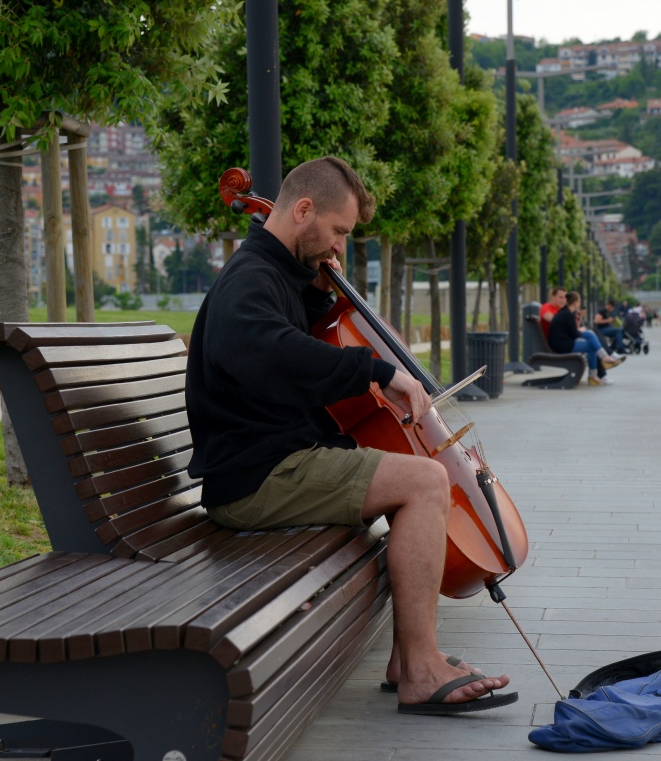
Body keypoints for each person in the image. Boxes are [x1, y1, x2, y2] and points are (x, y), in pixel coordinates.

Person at [185, 157, 514, 715]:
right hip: (255, 478)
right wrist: (378, 369)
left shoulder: (277, 276)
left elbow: (298, 338)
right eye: (337, 232)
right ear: (303, 209)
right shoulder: (249, 280)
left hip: (278, 460)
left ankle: (410, 657)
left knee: (414, 477)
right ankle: (418, 668)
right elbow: (272, 351)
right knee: (426, 482)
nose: (339, 248)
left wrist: (319, 292)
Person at [549, 291, 624, 386]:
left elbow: (572, 331)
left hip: (562, 342)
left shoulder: (567, 312)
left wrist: (580, 323)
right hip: (561, 345)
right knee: (590, 339)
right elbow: (574, 334)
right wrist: (582, 330)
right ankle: (601, 363)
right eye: (579, 301)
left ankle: (602, 362)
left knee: (590, 335)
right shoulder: (567, 315)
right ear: (575, 302)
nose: (579, 304)